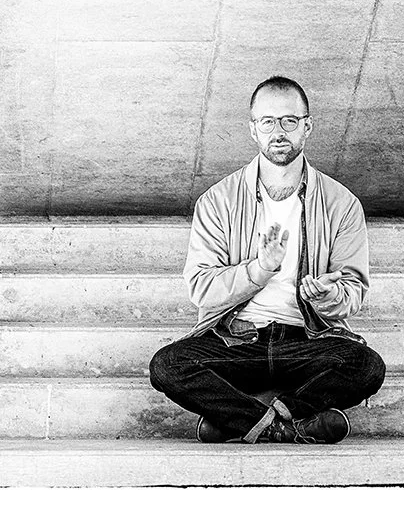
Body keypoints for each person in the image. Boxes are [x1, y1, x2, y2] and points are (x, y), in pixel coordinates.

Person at [149, 76, 385, 444]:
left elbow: (353, 290)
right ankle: (291, 423)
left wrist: (324, 296)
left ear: (307, 126)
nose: (279, 132)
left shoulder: (342, 204)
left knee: (366, 366)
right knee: (168, 365)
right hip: (237, 341)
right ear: (253, 129)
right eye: (268, 122)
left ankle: (240, 421)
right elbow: (201, 288)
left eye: (289, 121)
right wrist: (259, 269)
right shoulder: (218, 201)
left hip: (305, 341)